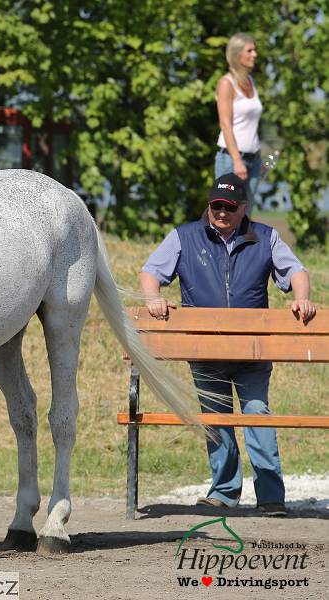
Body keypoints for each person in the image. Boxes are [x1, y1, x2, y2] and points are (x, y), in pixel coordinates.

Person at [139, 172, 316, 518]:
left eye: (229, 207)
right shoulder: (183, 237)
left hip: (253, 351)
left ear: (243, 208)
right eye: (216, 206)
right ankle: (224, 491)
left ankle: (270, 498)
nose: (222, 212)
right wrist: (153, 297)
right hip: (205, 351)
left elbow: (296, 270)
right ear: (209, 205)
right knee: (216, 420)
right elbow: (150, 273)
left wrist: (302, 299)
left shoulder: (266, 237)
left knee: (256, 415)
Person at [216, 33, 262, 209]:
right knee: (226, 215)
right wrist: (237, 160)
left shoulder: (251, 81)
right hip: (231, 159)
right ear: (236, 54)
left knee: (245, 216)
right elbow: (225, 124)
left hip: (254, 160)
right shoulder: (227, 83)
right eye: (249, 50)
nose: (255, 54)